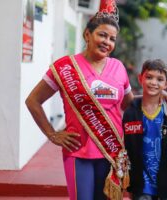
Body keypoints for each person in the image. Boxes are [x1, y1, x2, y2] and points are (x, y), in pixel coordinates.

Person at [25, 3, 133, 200]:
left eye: (112, 39)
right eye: (102, 35)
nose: (106, 42)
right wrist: (52, 134)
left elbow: (129, 104)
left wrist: (159, 97)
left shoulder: (118, 67)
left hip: (111, 151)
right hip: (78, 152)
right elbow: (33, 101)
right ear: (87, 35)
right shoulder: (65, 67)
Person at [123, 59, 167, 200]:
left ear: (166, 84)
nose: (154, 83)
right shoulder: (131, 111)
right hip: (141, 185)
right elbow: (128, 148)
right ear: (140, 78)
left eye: (160, 79)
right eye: (149, 77)